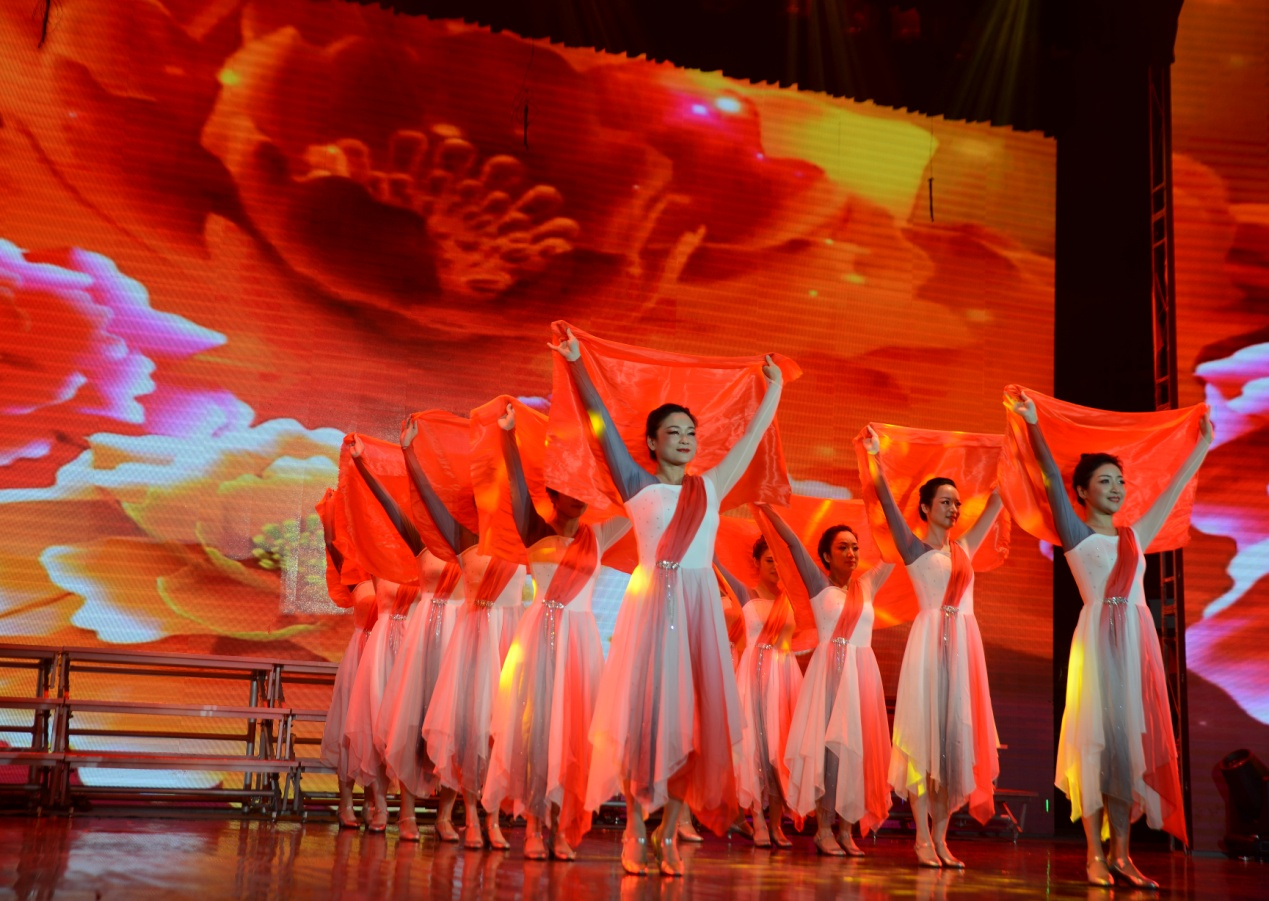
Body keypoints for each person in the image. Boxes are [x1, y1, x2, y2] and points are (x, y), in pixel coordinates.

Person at [551, 327, 784, 876]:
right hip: (653, 607)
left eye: (690, 432)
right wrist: (578, 364)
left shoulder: (711, 487)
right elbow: (601, 426)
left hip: (700, 611)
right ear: (653, 443)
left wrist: (774, 389)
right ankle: (635, 828)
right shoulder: (636, 483)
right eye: (673, 432)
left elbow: (751, 438)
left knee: (698, 723)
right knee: (644, 719)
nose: (684, 439)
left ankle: (670, 830)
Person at [1008, 389, 1211, 888]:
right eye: (1105, 481)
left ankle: (1122, 855)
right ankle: (1094, 855)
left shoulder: (1134, 538)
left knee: (1126, 752)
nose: (1116, 488)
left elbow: (1171, 492)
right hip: (1098, 649)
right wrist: (1033, 424)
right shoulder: (1077, 535)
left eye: (1120, 481)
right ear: (1081, 492)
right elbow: (1048, 475)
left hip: (1136, 651)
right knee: (1096, 749)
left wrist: (1202, 446)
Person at [484, 403, 632, 860]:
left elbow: (632, 496)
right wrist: (508, 436)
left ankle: (563, 825)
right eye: (571, 487)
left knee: (574, 735)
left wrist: (606, 440)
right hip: (538, 641)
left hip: (580, 644)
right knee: (537, 732)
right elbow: (515, 486)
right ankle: (534, 824)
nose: (580, 496)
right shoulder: (534, 529)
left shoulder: (598, 537)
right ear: (553, 491)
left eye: (585, 488)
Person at [861, 425, 1003, 868]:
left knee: (954, 744)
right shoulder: (914, 548)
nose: (954, 508)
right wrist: (875, 459)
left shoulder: (964, 549)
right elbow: (886, 504)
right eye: (945, 501)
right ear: (925, 508)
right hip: (928, 649)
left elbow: (997, 503)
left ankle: (941, 839)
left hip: (964, 650)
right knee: (924, 745)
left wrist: (1015, 457)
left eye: (957, 503)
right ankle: (922, 838)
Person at [407, 415, 527, 851]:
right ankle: (469, 816)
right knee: (471, 732)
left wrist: (510, 439)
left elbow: (523, 486)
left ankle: (491, 817)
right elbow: (428, 500)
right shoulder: (463, 538)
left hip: (510, 641)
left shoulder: (524, 538)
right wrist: (409, 454)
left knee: (498, 734)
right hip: (475, 643)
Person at [349, 442, 465, 842]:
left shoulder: (476, 544)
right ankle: (408, 814)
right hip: (423, 641)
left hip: (459, 640)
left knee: (453, 728)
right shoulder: (421, 541)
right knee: (414, 726)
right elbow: (390, 505)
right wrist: (364, 464)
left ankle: (445, 816)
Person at [764, 507, 894, 857]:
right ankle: (824, 830)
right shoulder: (818, 585)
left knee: (856, 754)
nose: (851, 553)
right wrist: (766, 509)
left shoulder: (867, 586)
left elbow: (893, 553)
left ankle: (847, 830)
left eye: (855, 547)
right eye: (842, 547)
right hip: (830, 677)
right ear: (825, 556)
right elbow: (793, 543)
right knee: (830, 755)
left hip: (862, 676)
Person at [734, 535, 803, 848]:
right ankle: (757, 820)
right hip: (753, 677)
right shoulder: (744, 593)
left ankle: (776, 823)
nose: (776, 566)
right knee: (755, 749)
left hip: (784, 676)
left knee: (780, 749)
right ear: (757, 563)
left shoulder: (792, 598)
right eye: (769, 560)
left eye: (779, 561)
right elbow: (715, 563)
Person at [316, 489, 378, 829]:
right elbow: (334, 547)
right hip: (360, 654)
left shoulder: (397, 570)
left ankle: (373, 801)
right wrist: (331, 523)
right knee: (351, 731)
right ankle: (345, 802)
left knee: (376, 731)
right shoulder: (356, 570)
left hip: (387, 655)